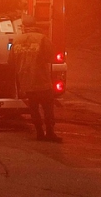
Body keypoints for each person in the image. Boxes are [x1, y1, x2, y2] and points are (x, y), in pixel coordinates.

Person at [10, 15, 62, 143]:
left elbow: (11, 61)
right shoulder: (42, 38)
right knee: (48, 108)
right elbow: (50, 57)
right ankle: (50, 133)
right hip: (42, 82)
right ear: (35, 24)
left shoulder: (16, 40)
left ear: (23, 26)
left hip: (27, 83)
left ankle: (39, 132)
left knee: (33, 109)